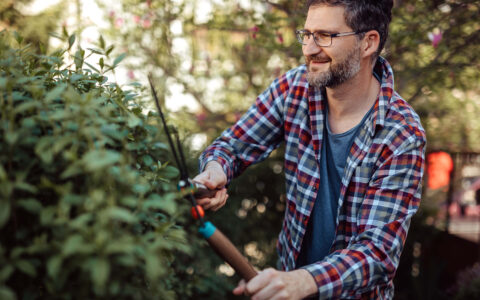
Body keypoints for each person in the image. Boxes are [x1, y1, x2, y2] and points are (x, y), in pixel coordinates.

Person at [193, 0, 426, 299]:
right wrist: (215, 171)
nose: (309, 48)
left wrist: (303, 281)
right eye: (306, 34)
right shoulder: (294, 89)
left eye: (325, 36)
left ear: (368, 42)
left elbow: (377, 254)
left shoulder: (402, 133)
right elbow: (231, 147)